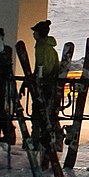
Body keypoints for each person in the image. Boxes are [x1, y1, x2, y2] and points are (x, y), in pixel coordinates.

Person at [30, 20, 62, 153]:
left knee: (41, 112)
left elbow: (43, 67)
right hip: (48, 84)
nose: (33, 35)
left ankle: (39, 139)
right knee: (48, 113)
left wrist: (39, 79)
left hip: (45, 85)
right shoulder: (44, 47)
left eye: (35, 32)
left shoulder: (44, 48)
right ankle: (50, 138)